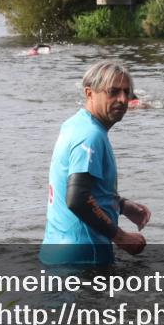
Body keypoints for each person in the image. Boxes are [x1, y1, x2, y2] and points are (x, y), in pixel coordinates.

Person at [40, 61, 151, 265]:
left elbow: (84, 189)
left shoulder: (75, 124)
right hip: (83, 257)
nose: (123, 99)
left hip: (57, 251)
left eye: (127, 92)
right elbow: (78, 198)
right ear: (89, 93)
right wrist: (121, 237)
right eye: (113, 92)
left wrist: (122, 205)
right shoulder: (90, 136)